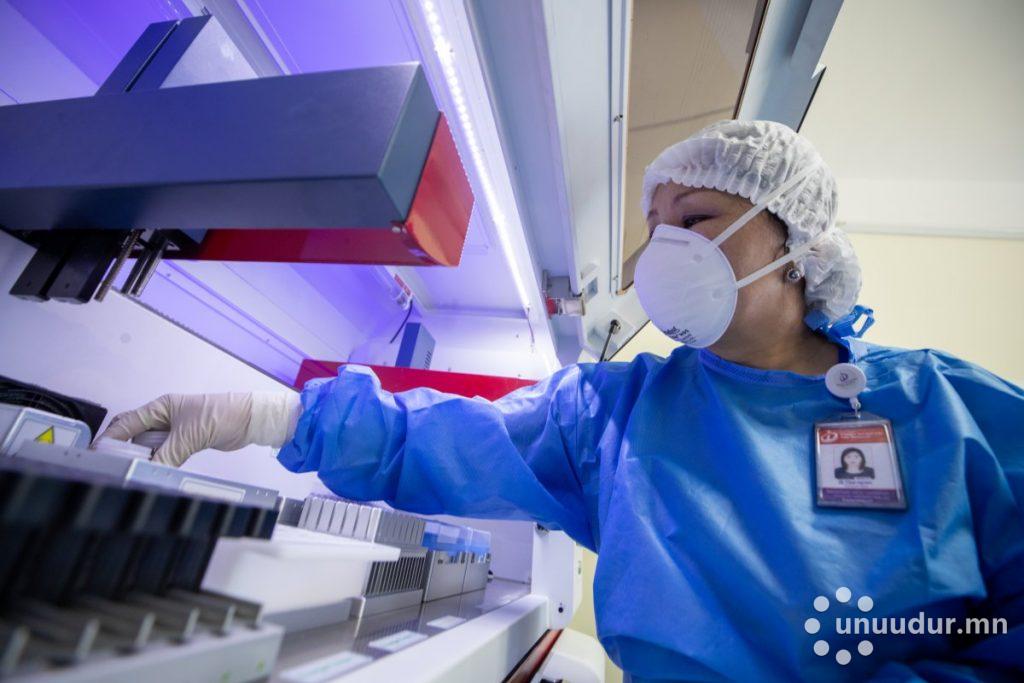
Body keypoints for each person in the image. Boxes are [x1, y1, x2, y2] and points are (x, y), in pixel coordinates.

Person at [101, 120, 1024, 682]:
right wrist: (265, 416)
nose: (664, 252)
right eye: (655, 229)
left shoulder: (947, 408)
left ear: (798, 243)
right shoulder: (622, 414)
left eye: (698, 220)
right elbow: (448, 441)